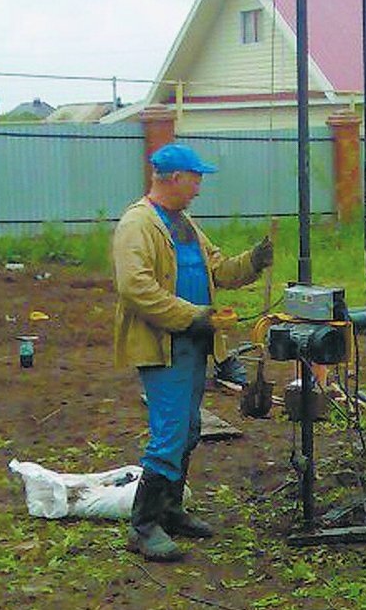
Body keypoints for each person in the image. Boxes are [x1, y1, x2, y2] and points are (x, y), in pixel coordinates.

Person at [112, 143, 274, 561]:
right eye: (195, 178)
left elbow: (217, 269)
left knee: (188, 429)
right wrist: (194, 316)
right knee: (169, 433)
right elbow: (136, 288)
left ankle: (169, 510)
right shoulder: (138, 225)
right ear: (173, 178)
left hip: (192, 345)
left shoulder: (184, 223)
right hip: (163, 347)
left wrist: (253, 261)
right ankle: (143, 525)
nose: (199, 187)